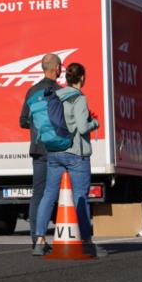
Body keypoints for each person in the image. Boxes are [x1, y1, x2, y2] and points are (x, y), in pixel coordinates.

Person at [33, 63, 103, 257]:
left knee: (49, 195)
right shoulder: (79, 98)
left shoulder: (57, 95)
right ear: (81, 77)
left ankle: (39, 241)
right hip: (76, 155)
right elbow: (82, 127)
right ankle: (87, 243)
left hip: (54, 152)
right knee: (80, 195)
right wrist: (94, 122)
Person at [19, 53, 62, 247]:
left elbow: (23, 121)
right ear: (57, 69)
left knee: (38, 194)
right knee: (59, 193)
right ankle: (70, 235)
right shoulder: (61, 91)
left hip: (38, 149)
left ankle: (37, 238)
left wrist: (38, 127)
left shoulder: (32, 91)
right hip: (57, 149)